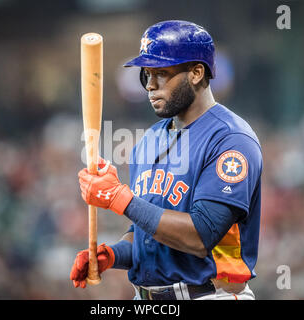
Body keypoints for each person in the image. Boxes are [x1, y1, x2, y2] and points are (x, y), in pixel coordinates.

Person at [70, 20, 263, 300]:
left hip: (210, 295)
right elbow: (147, 234)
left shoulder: (230, 139)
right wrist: (112, 255)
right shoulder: (148, 141)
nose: (150, 85)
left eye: (161, 73)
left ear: (197, 72)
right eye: (146, 74)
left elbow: (200, 236)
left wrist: (118, 197)